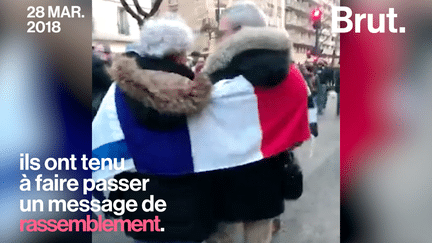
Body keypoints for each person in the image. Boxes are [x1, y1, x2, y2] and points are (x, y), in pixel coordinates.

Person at [92, 13, 215, 243]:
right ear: (179, 55)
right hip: (190, 201)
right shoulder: (198, 92)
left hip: (141, 203)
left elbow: (100, 141)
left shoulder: (118, 92)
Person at [201, 2, 311, 242]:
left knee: (222, 237)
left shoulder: (221, 74)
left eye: (223, 33)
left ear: (240, 31)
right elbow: (301, 124)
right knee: (259, 237)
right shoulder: (293, 74)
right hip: (268, 175)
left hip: (223, 176)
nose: (220, 40)